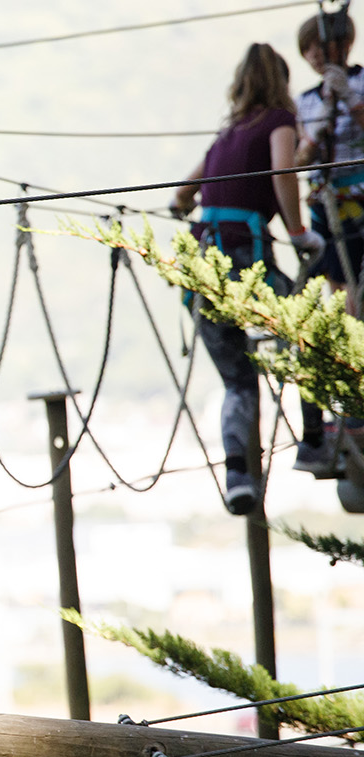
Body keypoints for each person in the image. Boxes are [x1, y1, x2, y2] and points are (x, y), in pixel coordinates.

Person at [170, 43, 326, 515]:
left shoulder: (227, 134)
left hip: (201, 270)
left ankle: (238, 474)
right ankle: (315, 440)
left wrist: (186, 210)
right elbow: (282, 171)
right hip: (246, 262)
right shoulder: (279, 120)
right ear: (281, 82)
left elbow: (182, 195)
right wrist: (299, 234)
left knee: (238, 381)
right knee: (309, 332)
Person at [296, 10, 364, 312]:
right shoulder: (305, 101)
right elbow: (299, 159)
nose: (314, 56)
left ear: (344, 43)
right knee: (334, 282)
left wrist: (351, 99)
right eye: (307, 50)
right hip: (325, 200)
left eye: (319, 47)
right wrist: (315, 132)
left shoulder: (360, 82)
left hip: (358, 194)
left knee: (355, 287)